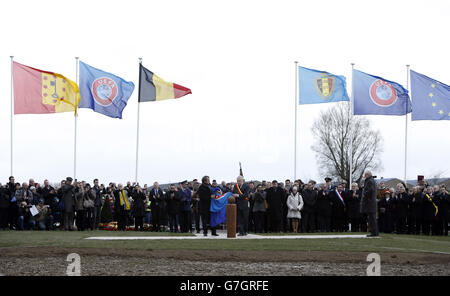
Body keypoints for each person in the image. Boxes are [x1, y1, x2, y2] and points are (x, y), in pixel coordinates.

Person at [361, 171, 378, 237]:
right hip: (371, 203)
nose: (365, 176)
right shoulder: (371, 180)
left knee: (372, 219)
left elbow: (370, 190)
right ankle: (374, 233)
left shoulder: (370, 181)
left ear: (368, 175)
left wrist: (365, 195)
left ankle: (374, 233)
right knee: (372, 219)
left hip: (370, 202)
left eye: (365, 175)